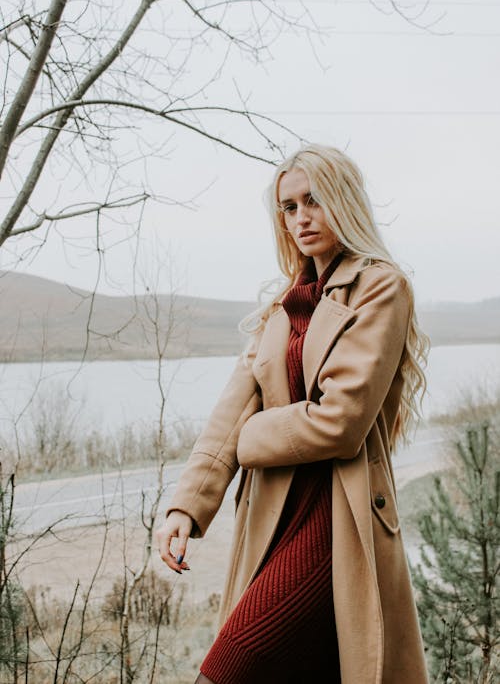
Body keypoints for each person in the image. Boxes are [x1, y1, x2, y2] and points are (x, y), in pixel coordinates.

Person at [156, 144, 431, 684]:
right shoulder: (282, 306)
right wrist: (185, 508)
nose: (301, 217)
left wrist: (250, 438)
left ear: (344, 202)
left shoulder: (381, 287)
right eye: (288, 207)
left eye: (314, 200)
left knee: (228, 669)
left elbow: (340, 423)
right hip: (273, 518)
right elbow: (231, 409)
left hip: (335, 523)